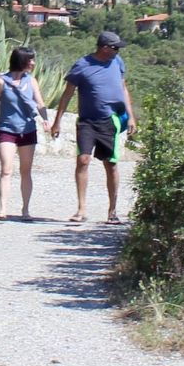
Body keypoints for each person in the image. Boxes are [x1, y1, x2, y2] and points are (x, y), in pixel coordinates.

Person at [47, 30, 137, 224]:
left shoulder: (117, 63)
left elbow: (124, 88)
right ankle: (81, 209)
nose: (118, 52)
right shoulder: (82, 66)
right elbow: (67, 94)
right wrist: (57, 121)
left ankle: (112, 212)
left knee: (111, 164)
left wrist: (130, 117)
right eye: (115, 48)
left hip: (110, 120)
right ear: (104, 48)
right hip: (87, 121)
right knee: (83, 160)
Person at [0, 46, 46, 220]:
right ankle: (3, 209)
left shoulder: (32, 81)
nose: (33, 63)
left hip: (28, 129)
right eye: (30, 60)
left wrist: (46, 120)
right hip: (7, 129)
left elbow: (39, 102)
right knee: (6, 169)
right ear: (21, 61)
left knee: (25, 170)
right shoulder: (1, 82)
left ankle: (25, 210)